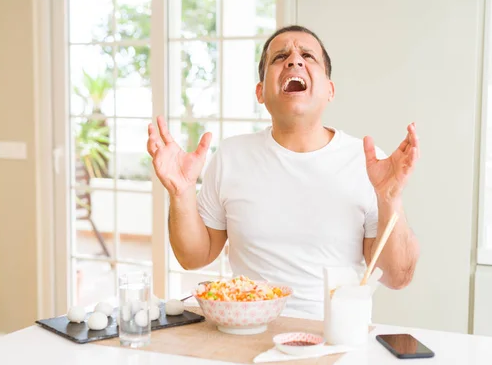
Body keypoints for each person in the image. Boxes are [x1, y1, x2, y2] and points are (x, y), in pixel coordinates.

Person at [147, 25, 420, 319]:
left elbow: (398, 276)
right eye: (280, 57)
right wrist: (181, 192)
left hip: (335, 338)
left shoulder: (366, 163)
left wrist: (390, 197)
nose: (294, 60)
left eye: (307, 55)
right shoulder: (231, 156)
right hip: (247, 333)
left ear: (329, 90)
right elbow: (193, 256)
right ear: (260, 92)